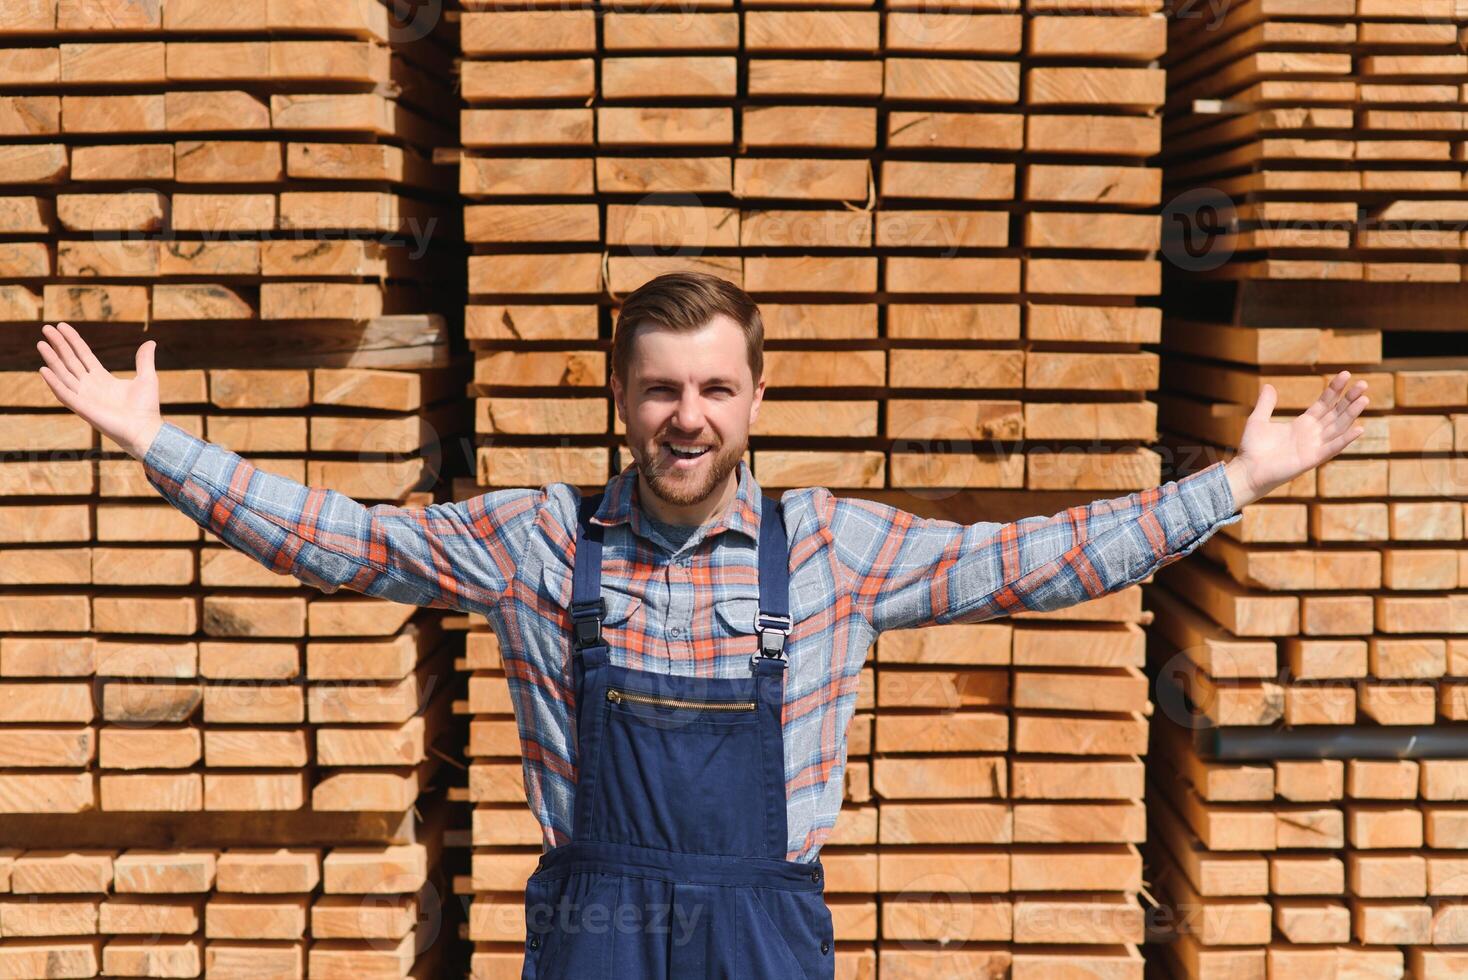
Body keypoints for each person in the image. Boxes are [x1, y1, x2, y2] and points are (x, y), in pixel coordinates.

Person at [36, 272, 1368, 978]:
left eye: (715, 389)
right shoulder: (538, 537)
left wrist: (1240, 480)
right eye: (663, 389)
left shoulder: (836, 550)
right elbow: (355, 543)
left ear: (757, 395)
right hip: (595, 934)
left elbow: (1038, 560)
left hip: (764, 935)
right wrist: (167, 449)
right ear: (620, 394)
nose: (689, 417)